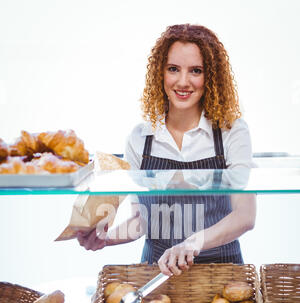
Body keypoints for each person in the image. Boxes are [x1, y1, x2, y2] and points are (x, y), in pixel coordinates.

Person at [77, 24, 256, 276]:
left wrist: (190, 244)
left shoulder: (231, 132)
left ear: (211, 77)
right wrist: (105, 238)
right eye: (173, 69)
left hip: (222, 275)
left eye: (196, 71)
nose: (183, 81)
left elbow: (245, 216)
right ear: (160, 73)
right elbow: (143, 221)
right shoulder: (140, 138)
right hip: (156, 275)